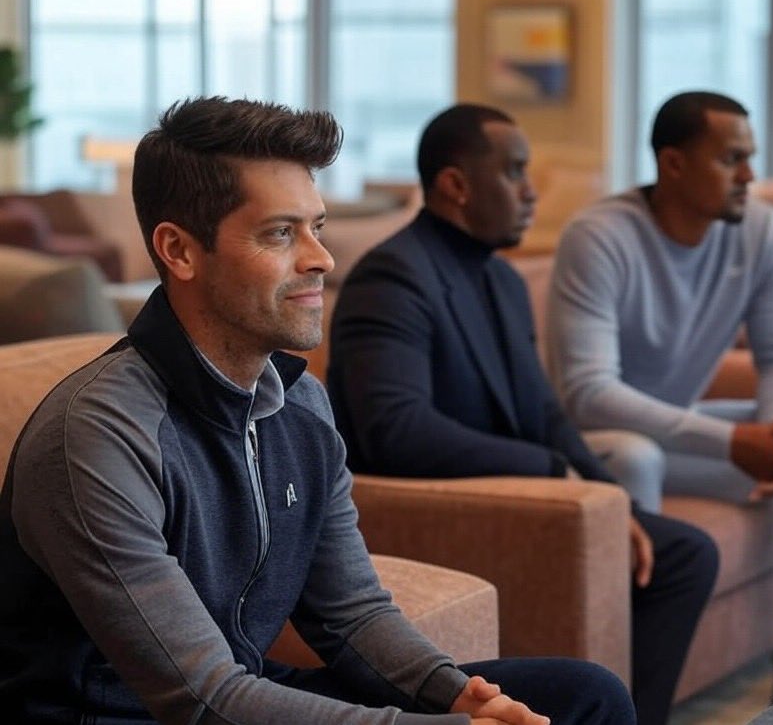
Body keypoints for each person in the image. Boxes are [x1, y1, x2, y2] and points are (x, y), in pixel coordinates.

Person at [0, 96, 637, 725]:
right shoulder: (95, 435)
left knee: (584, 694)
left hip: (240, 692)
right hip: (123, 713)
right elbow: (199, 697)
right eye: (281, 233)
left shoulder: (300, 403)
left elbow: (351, 614)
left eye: (317, 228)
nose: (321, 259)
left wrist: (453, 695)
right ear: (180, 251)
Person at [327, 103, 719, 725]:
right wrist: (549, 470)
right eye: (514, 173)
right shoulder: (392, 278)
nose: (532, 192)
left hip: (522, 495)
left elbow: (545, 411)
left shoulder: (504, 281)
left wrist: (613, 499)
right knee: (680, 556)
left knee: (679, 554)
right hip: (446, 507)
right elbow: (398, 431)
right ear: (456, 185)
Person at [546, 90, 773, 697]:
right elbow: (588, 393)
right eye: (732, 159)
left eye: (750, 157)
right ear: (673, 164)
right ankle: (634, 693)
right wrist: (730, 442)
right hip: (595, 446)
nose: (750, 175)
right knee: (637, 455)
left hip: (678, 433)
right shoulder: (598, 237)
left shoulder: (762, 230)